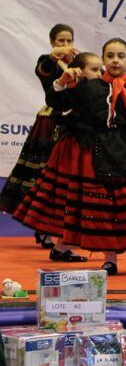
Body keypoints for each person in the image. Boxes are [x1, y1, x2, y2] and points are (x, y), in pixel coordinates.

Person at [31, 38, 126, 275]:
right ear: (104, 60)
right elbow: (57, 101)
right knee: (106, 208)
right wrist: (61, 81)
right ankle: (111, 259)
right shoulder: (90, 87)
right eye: (110, 56)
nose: (115, 60)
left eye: (120, 56)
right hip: (99, 152)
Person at [14, 52, 103, 263]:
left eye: (101, 69)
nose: (100, 73)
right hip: (72, 152)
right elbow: (56, 103)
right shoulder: (71, 90)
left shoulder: (98, 90)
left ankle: (62, 246)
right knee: (69, 199)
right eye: (95, 69)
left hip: (88, 151)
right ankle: (61, 246)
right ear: (80, 71)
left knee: (78, 202)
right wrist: (62, 81)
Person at [1, 24, 77, 249]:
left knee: (65, 180)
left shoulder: (78, 62)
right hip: (50, 123)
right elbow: (43, 70)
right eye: (61, 41)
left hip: (73, 124)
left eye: (68, 40)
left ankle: (58, 230)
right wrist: (54, 58)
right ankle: (41, 227)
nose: (65, 45)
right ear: (52, 42)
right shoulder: (47, 60)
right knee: (43, 176)